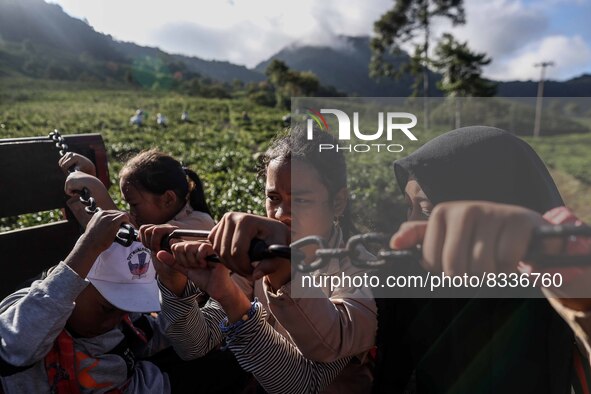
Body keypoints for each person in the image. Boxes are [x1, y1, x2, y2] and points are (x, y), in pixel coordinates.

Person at [140, 125, 378, 393]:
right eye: (273, 198)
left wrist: (273, 280)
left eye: (300, 200)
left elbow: (302, 385)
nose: (281, 214)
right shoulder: (259, 255)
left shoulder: (359, 272)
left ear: (337, 202)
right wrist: (175, 285)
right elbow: (195, 344)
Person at [371, 126, 575, 394]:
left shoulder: (560, 304)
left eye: (426, 210)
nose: (409, 225)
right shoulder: (412, 288)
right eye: (408, 207)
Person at [59, 150, 250, 393]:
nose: (130, 212)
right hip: (168, 323)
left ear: (168, 199)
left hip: (198, 325)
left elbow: (134, 255)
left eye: (134, 204)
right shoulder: (160, 218)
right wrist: (92, 186)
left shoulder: (194, 227)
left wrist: (98, 191)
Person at [0, 210, 175, 393]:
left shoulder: (128, 325)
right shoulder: (27, 308)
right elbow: (14, 346)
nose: (112, 322)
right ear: (77, 281)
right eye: (105, 309)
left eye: (123, 310)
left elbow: (168, 334)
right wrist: (88, 247)